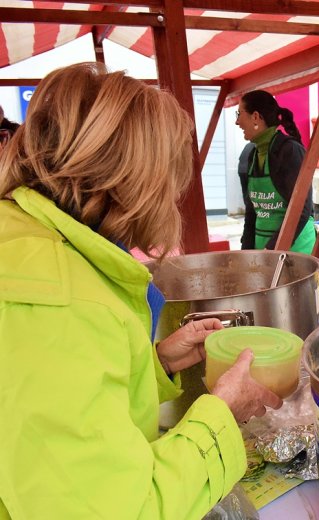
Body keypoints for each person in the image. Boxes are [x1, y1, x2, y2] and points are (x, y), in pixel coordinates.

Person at [0, 63, 282, 519]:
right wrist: (221, 417)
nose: (172, 194)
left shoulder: (27, 241)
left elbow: (70, 407)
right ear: (131, 178)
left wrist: (158, 362)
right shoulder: (53, 301)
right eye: (169, 174)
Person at [236, 90, 315, 254]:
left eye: (239, 114)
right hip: (265, 252)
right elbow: (252, 212)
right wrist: (245, 253)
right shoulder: (251, 155)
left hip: (295, 253)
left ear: (255, 116)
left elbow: (301, 210)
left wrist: (272, 250)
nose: (237, 122)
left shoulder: (290, 151)